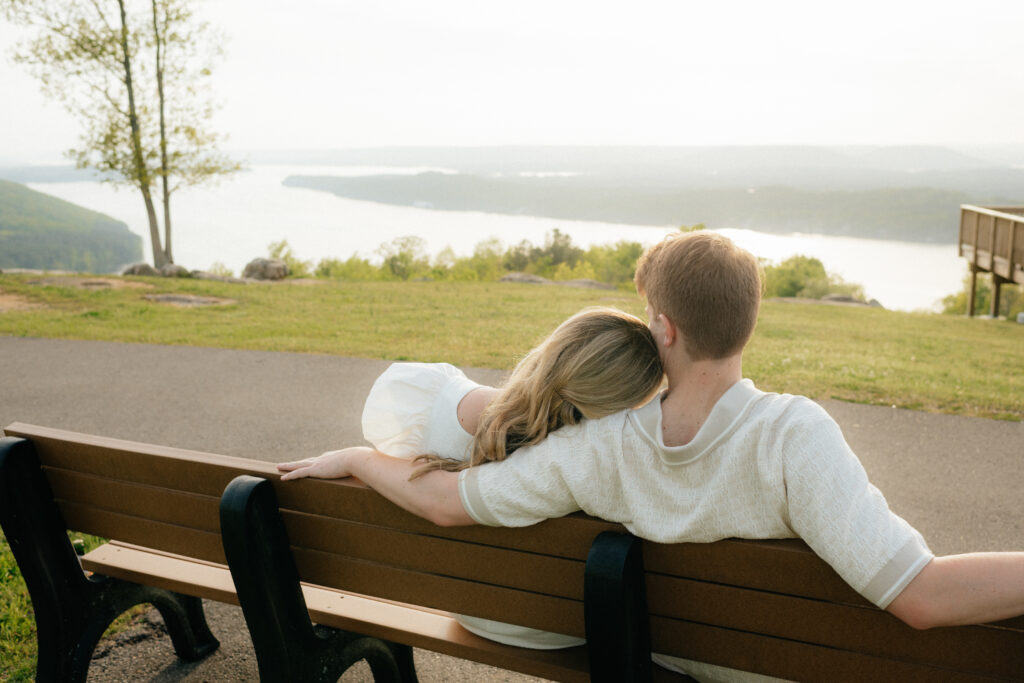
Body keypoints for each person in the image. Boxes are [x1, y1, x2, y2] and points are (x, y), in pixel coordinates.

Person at [278, 232, 1024, 682]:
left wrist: (356, 457)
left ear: (664, 328)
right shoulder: (791, 435)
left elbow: (447, 502)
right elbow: (921, 596)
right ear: (747, 322)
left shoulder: (599, 450)